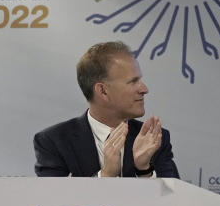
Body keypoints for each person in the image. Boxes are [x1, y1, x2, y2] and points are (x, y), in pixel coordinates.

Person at [34, 41, 178, 178]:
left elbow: (174, 199)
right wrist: (106, 175)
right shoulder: (54, 142)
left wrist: (144, 170)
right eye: (133, 81)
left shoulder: (154, 140)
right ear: (103, 91)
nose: (144, 89)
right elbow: (55, 200)